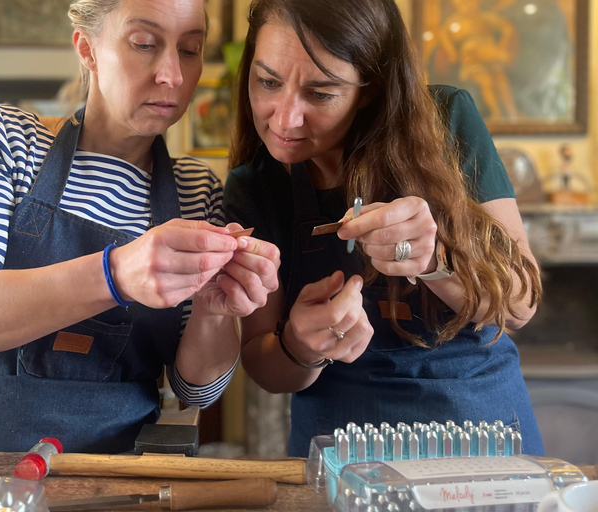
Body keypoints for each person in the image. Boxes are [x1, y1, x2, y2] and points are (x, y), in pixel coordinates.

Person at [0, 0, 280, 453]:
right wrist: (115, 274)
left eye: (190, 49)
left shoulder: (195, 190)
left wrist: (214, 312)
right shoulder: (8, 140)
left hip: (116, 477)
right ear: (87, 48)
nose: (172, 76)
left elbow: (196, 391)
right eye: (144, 43)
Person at [224, 0, 543, 457]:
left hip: (476, 431)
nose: (284, 118)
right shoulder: (254, 186)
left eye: (320, 93)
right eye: (267, 81)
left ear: (370, 89)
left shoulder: (446, 120)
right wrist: (300, 345)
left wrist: (436, 261)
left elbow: (519, 305)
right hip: (339, 443)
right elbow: (265, 369)